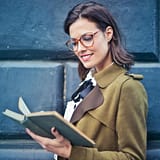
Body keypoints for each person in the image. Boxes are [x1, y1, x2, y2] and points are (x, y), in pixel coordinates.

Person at [26, 1, 148, 160]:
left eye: (87, 38)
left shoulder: (127, 88)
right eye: (74, 43)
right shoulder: (87, 83)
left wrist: (72, 153)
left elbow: (133, 158)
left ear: (108, 34)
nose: (80, 49)